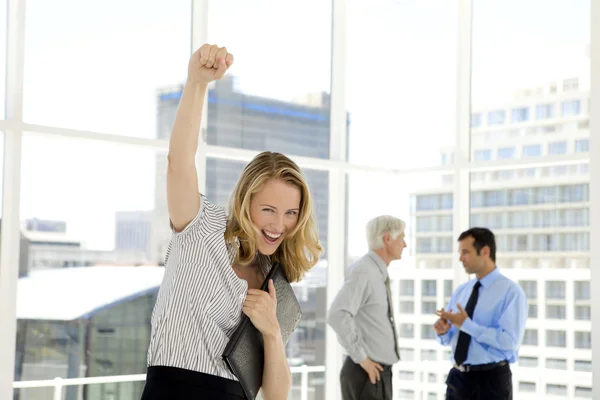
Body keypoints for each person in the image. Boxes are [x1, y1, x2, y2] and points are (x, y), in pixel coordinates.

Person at [140, 44, 323, 400]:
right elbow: (179, 162)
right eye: (268, 210)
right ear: (245, 202)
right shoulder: (202, 230)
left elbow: (276, 395)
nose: (278, 225)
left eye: (290, 213)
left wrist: (271, 329)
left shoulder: (275, 276)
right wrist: (197, 83)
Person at [434, 227, 528, 400]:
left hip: (490, 381)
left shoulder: (511, 292)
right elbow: (452, 337)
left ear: (485, 251)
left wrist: (467, 325)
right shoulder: (462, 291)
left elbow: (510, 341)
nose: (460, 258)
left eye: (465, 252)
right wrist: (444, 331)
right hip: (458, 379)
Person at [327, 215, 407, 400]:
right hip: (367, 373)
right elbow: (337, 315)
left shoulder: (376, 272)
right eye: (402, 237)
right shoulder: (364, 271)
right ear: (387, 239)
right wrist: (362, 359)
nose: (405, 244)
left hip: (376, 373)